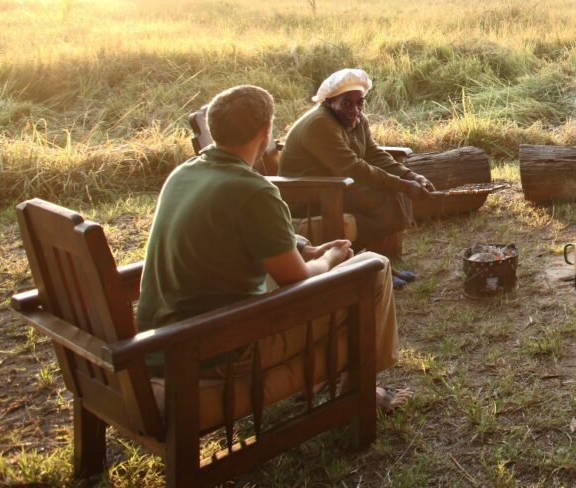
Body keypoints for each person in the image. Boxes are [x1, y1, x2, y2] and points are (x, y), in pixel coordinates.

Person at [136, 85, 411, 409]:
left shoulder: (182, 175)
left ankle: (334, 378)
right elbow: (298, 279)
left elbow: (230, 232)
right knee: (374, 267)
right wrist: (330, 257)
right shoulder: (255, 191)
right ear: (266, 132)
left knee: (287, 270)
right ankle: (364, 388)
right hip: (219, 350)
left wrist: (302, 247)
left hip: (164, 344)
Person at [278, 69, 433, 259]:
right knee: (385, 196)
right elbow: (353, 167)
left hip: (338, 186)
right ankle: (368, 262)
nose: (355, 109)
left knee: (391, 194)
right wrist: (403, 185)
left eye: (360, 103)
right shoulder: (319, 124)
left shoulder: (356, 118)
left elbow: (374, 154)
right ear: (329, 102)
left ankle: (382, 261)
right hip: (310, 195)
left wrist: (411, 176)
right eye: (346, 103)